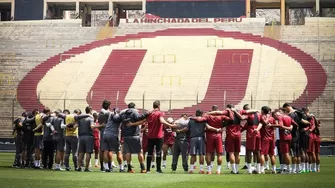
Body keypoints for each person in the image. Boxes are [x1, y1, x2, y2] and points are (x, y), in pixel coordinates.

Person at [127, 100, 176, 173]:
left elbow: (142, 121)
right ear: (159, 106)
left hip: (150, 136)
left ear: (153, 106)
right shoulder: (160, 113)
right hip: (158, 136)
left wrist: (132, 124)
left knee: (149, 153)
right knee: (158, 152)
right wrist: (171, 125)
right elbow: (162, 121)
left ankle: (148, 170)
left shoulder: (150, 113)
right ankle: (158, 170)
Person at [191, 108, 233, 174]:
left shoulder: (208, 116)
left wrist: (191, 118)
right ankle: (218, 171)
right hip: (218, 135)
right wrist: (229, 111)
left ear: (212, 109)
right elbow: (231, 119)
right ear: (217, 110)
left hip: (209, 136)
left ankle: (209, 171)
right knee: (219, 154)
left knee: (208, 153)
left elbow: (199, 120)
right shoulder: (221, 116)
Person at [120, 102, 148, 173]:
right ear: (134, 107)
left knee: (128, 152)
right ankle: (143, 168)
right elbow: (139, 118)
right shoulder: (134, 112)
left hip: (126, 136)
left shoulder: (123, 114)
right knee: (139, 152)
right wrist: (146, 115)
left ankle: (129, 169)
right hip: (135, 135)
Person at [282, 103, 310, 173]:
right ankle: (298, 168)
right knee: (298, 152)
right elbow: (304, 121)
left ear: (287, 107)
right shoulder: (298, 113)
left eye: (285, 109)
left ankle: (293, 169)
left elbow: (291, 125)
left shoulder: (291, 115)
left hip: (293, 134)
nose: (285, 110)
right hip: (298, 134)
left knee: (293, 152)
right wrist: (309, 123)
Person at [102, 108, 124, 172]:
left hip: (105, 134)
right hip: (113, 135)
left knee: (106, 151)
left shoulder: (110, 115)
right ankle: (121, 168)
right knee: (118, 151)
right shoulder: (117, 116)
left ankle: (106, 168)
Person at [272, 110, 293, 174]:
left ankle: (288, 169)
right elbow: (294, 124)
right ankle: (284, 168)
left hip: (283, 137)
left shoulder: (280, 118)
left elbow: (281, 126)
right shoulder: (288, 117)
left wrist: (271, 125)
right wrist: (289, 128)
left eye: (274, 116)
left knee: (286, 153)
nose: (275, 118)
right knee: (284, 153)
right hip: (289, 137)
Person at [186, 110, 206, 174]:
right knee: (201, 154)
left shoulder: (191, 120)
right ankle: (201, 170)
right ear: (202, 114)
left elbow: (187, 129)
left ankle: (191, 170)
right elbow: (206, 128)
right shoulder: (203, 120)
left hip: (193, 138)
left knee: (193, 155)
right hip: (200, 138)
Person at [77, 106, 95, 172]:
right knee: (88, 153)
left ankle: (79, 167)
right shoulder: (90, 118)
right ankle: (86, 168)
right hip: (88, 137)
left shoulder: (81, 118)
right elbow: (92, 127)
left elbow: (76, 126)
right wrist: (100, 126)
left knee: (81, 153)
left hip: (81, 137)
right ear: (90, 110)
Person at [259, 106, 276, 174]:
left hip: (264, 138)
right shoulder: (272, 118)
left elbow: (261, 124)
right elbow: (275, 126)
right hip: (271, 138)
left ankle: (262, 169)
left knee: (262, 154)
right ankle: (274, 169)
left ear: (263, 111)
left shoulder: (262, 117)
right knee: (272, 154)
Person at [98, 100, 112, 171]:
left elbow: (99, 125)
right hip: (108, 132)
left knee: (102, 150)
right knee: (107, 150)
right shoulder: (108, 113)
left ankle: (102, 166)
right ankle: (107, 167)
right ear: (108, 106)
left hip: (102, 131)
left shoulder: (100, 113)